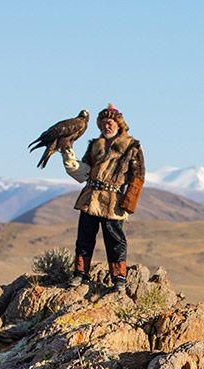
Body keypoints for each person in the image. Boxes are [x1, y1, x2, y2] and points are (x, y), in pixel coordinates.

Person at [61, 103, 145, 292]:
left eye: (111, 123)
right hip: (90, 197)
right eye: (104, 123)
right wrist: (68, 155)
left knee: (115, 240)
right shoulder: (94, 145)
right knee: (84, 238)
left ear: (119, 125)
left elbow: (138, 177)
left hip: (113, 201)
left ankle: (119, 279)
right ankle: (80, 275)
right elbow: (84, 171)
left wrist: (129, 203)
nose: (107, 126)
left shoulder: (132, 146)